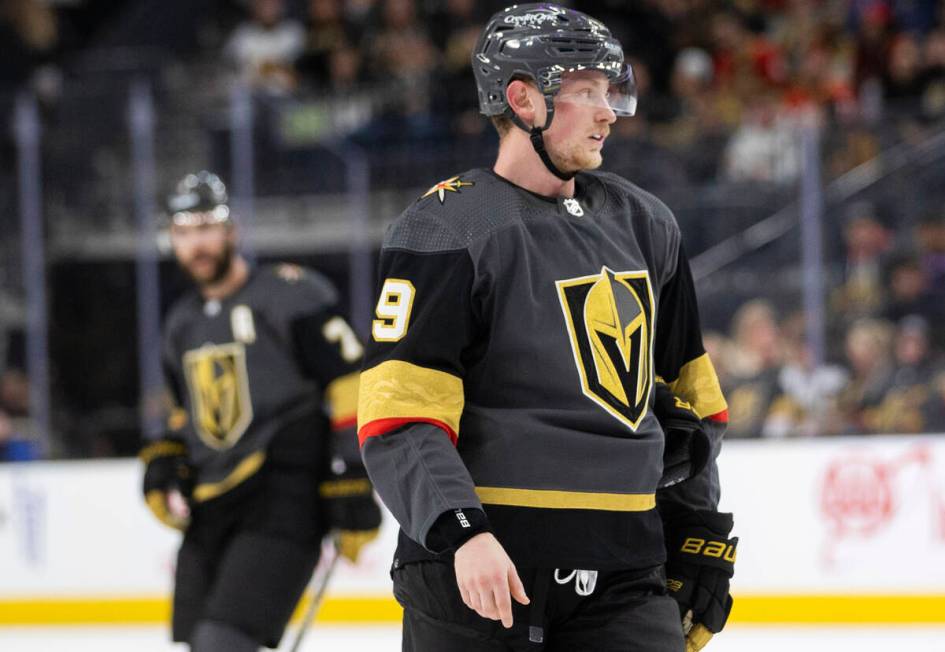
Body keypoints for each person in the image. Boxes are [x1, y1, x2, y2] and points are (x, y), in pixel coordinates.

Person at [357, 5, 735, 652]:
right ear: (522, 98)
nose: (607, 110)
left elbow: (687, 405)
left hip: (625, 567)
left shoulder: (646, 225)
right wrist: (461, 533)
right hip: (482, 566)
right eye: (586, 90)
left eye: (610, 91)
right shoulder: (446, 228)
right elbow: (401, 419)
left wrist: (699, 528)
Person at [139, 171, 380, 652]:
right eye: (184, 232)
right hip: (211, 504)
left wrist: (352, 470)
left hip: (284, 496)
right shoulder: (181, 325)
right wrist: (164, 457)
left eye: (206, 227)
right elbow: (186, 412)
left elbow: (353, 382)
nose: (197, 244)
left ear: (233, 230)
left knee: (221, 643)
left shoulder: (293, 294)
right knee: (200, 642)